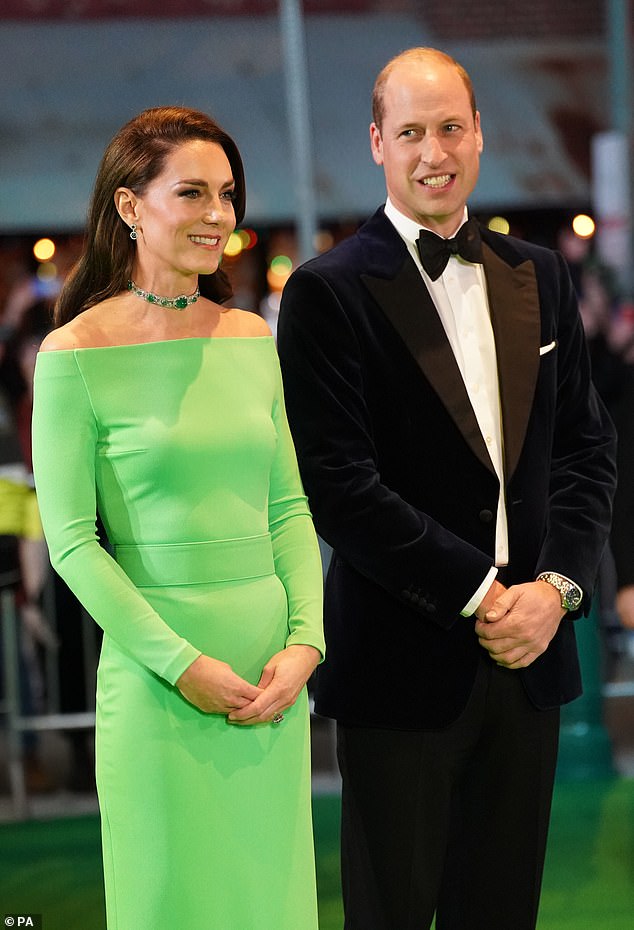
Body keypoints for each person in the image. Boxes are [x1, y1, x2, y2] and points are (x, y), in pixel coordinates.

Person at [277, 48, 616, 930]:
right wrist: (482, 592)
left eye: (452, 128)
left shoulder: (538, 272)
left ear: (480, 134)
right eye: (413, 132)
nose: (435, 151)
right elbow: (341, 487)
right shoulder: (326, 292)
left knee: (503, 914)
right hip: (401, 664)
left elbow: (585, 448)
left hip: (532, 657)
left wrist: (558, 591)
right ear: (377, 145)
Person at [31, 105, 324, 930]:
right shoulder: (74, 355)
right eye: (192, 192)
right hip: (159, 688)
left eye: (227, 194)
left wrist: (306, 644)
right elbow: (73, 544)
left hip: (273, 687)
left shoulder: (248, 337)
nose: (218, 215)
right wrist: (180, 663)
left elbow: (289, 507)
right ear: (130, 208)